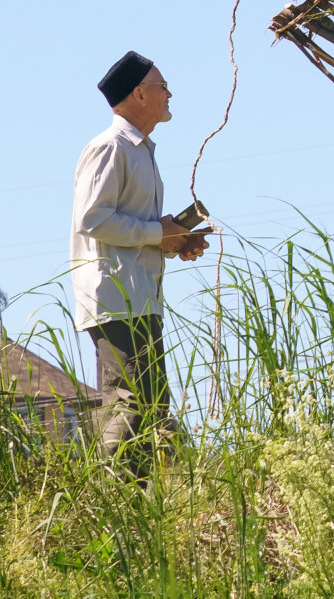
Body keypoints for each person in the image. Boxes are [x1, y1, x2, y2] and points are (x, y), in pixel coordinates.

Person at [71, 51, 209, 476]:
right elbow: (92, 218)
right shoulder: (110, 148)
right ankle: (112, 506)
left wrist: (172, 241)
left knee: (149, 406)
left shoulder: (141, 151)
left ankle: (136, 510)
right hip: (117, 297)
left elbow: (132, 228)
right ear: (138, 94)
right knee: (132, 404)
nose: (169, 94)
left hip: (139, 297)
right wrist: (156, 234)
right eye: (161, 86)